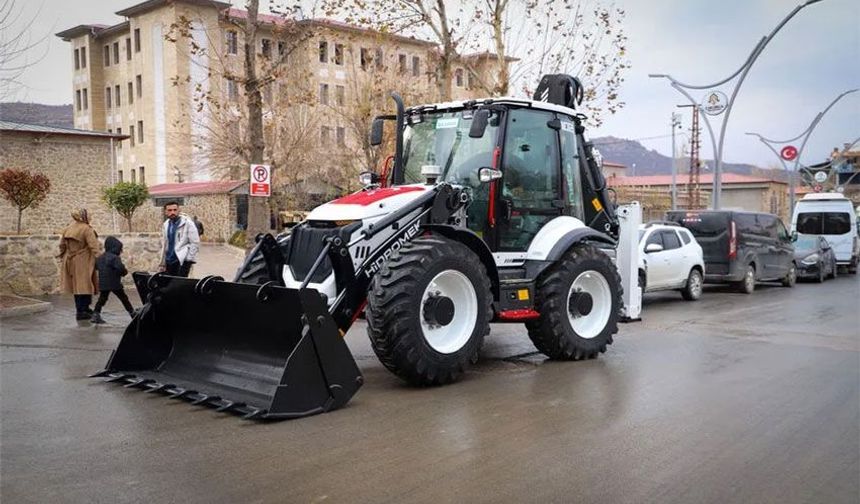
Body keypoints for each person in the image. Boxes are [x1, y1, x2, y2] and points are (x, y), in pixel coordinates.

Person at [58, 209, 99, 321]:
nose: (90, 217)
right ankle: (83, 311)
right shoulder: (87, 229)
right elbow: (94, 246)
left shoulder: (68, 228)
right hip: (83, 260)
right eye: (89, 215)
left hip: (70, 259)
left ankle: (81, 309)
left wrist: (63, 256)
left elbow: (62, 245)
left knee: (77, 286)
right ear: (84, 217)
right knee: (85, 285)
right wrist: (100, 258)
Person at [90, 236, 136, 324]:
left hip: (103, 283)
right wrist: (124, 272)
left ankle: (96, 314)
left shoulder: (100, 258)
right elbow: (120, 269)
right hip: (114, 283)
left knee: (102, 299)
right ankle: (132, 313)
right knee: (124, 298)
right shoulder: (115, 258)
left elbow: (96, 267)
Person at [159, 201, 200, 277]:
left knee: (180, 286)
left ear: (179, 210)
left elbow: (195, 242)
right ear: (165, 212)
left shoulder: (187, 223)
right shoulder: (166, 224)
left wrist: (188, 260)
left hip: (181, 261)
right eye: (170, 210)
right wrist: (163, 261)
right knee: (169, 285)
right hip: (169, 260)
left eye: (175, 210)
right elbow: (165, 243)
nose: (173, 212)